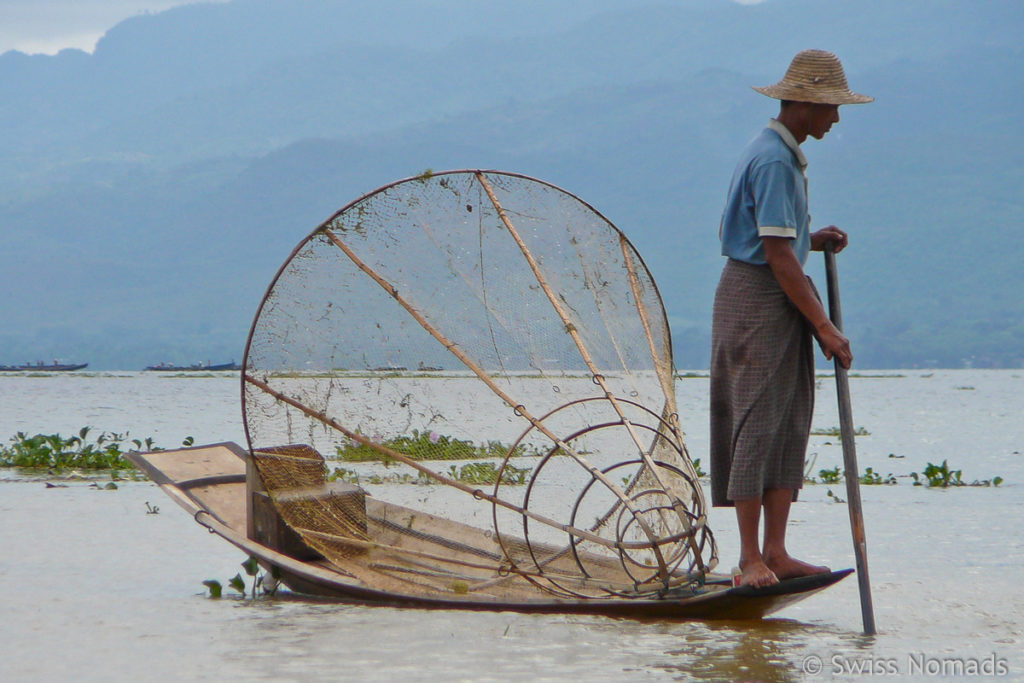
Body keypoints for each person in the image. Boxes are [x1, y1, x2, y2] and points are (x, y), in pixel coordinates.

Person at [709, 49, 873, 587]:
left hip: (778, 293)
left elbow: (782, 241)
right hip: (758, 297)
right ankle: (750, 558)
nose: (836, 118)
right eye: (831, 107)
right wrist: (824, 326)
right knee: (756, 421)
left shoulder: (783, 152)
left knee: (787, 420)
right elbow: (776, 257)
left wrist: (811, 238)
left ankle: (776, 552)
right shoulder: (775, 159)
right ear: (804, 104)